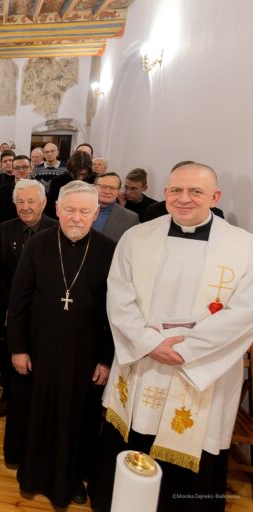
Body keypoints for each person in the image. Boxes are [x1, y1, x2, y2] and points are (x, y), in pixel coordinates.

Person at [91, 163, 253, 512]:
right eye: (176, 190)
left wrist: (187, 350)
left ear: (215, 196)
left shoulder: (244, 247)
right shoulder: (138, 237)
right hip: (144, 361)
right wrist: (150, 344)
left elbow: (245, 313)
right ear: (165, 193)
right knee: (134, 434)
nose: (184, 199)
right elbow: (118, 295)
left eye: (196, 192)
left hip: (198, 371)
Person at [8, 181, 116, 507]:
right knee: (38, 413)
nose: (76, 218)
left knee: (79, 419)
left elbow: (115, 311)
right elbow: (18, 301)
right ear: (57, 209)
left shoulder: (109, 250)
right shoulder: (38, 245)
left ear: (96, 213)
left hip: (85, 355)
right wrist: (18, 348)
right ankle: (34, 475)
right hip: (39, 351)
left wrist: (106, 358)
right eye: (69, 210)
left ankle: (73, 478)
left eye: (84, 211)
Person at [0, 179, 57, 423]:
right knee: (12, 351)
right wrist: (11, 303)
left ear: (43, 203)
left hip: (44, 307)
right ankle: (7, 395)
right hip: (11, 305)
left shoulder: (55, 229)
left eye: (31, 201)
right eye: (20, 202)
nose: (26, 206)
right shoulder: (4, 229)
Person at [0, 154, 34, 233]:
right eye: (17, 168)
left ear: (31, 168)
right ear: (13, 170)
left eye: (25, 167)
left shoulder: (38, 189)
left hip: (32, 232)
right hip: (8, 232)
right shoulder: (1, 191)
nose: (21, 170)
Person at [44, 150, 93, 218]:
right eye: (76, 174)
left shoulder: (93, 180)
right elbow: (50, 209)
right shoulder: (57, 181)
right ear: (70, 170)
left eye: (84, 174)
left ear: (89, 171)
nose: (80, 178)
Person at [93, 172, 139, 242]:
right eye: (103, 186)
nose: (107, 191)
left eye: (113, 188)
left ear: (118, 191)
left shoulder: (130, 218)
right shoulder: (77, 208)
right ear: (94, 187)